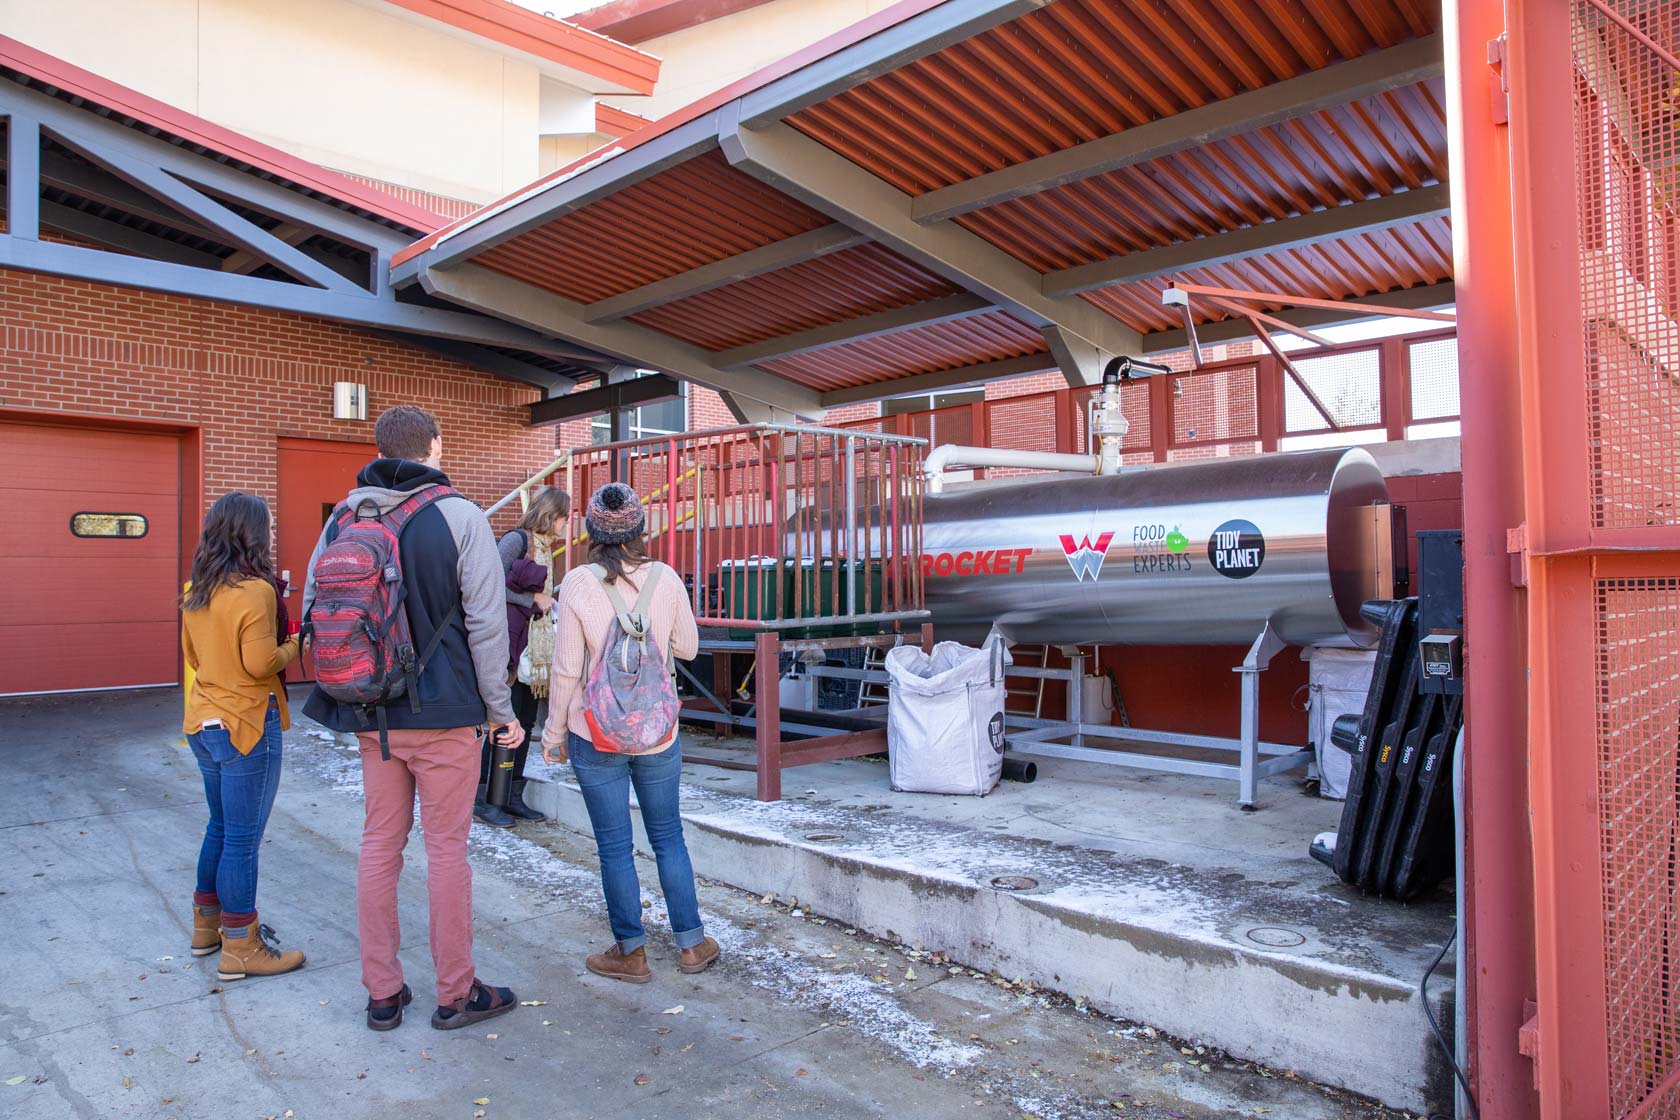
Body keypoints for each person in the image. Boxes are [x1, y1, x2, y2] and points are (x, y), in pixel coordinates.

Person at [302, 404, 524, 1032]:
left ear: (380, 448)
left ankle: (382, 993)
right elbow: (485, 625)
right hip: (448, 715)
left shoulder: (345, 517)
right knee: (447, 851)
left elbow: (318, 605)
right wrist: (500, 711)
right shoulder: (460, 515)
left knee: (379, 846)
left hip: (373, 713)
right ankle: (456, 993)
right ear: (434, 446)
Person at [541, 482, 715, 982]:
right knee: (668, 837)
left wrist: (553, 734)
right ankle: (691, 944)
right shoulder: (666, 578)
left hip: (594, 733)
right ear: (641, 528)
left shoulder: (575, 583)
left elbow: (567, 668)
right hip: (658, 731)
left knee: (614, 845)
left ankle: (631, 952)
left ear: (591, 532)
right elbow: (687, 649)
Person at [180, 492, 305, 982]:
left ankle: (205, 929)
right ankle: (241, 946)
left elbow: (194, 657)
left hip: (202, 723)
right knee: (243, 839)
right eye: (268, 527)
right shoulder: (256, 590)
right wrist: (297, 643)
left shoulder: (196, 589)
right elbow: (260, 665)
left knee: (220, 827)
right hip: (248, 724)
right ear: (254, 533)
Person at [476, 486, 569, 827]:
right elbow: (488, 588)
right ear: (550, 515)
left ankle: (513, 796)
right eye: (563, 518)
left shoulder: (546, 549)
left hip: (535, 651)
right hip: (510, 648)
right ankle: (487, 799)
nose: (565, 525)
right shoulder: (516, 540)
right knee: (505, 723)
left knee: (526, 722)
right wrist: (533, 601)